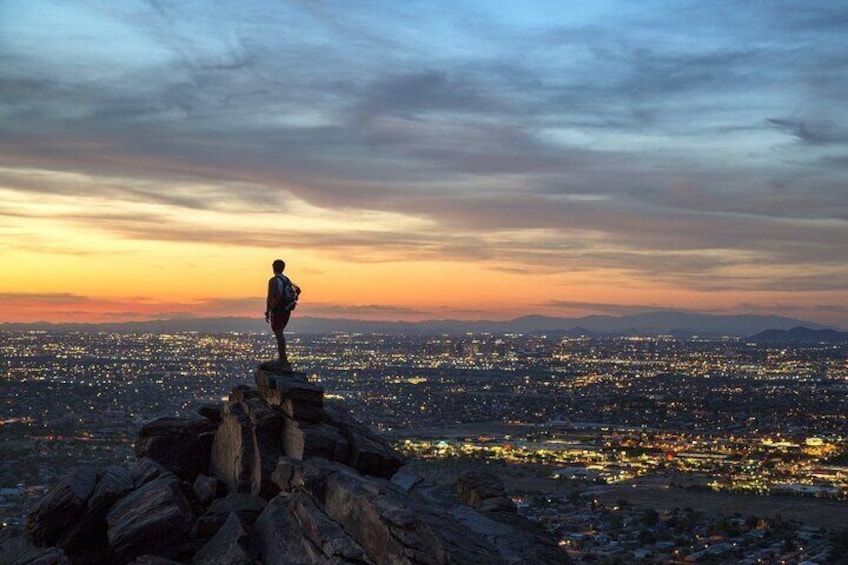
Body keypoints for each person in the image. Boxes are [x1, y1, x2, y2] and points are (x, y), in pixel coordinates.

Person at [265, 259, 301, 369]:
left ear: (273, 267)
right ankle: (282, 358)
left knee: (278, 333)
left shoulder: (273, 280)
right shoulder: (286, 280)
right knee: (280, 332)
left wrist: (268, 311)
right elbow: (298, 290)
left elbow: (270, 297)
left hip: (278, 310)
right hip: (286, 309)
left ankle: (282, 359)